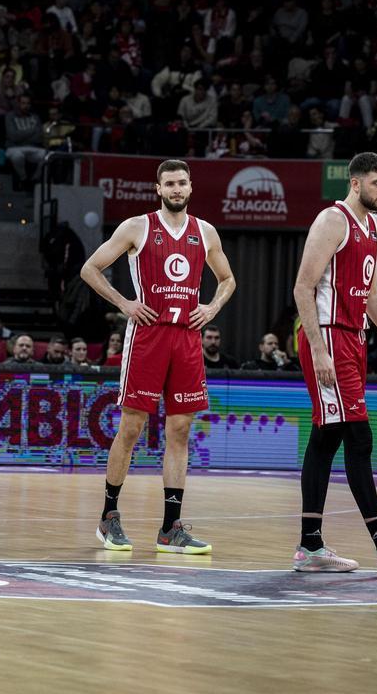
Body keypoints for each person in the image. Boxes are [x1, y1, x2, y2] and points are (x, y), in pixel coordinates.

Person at [79, 159, 236, 555]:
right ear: (159, 189)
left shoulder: (206, 231)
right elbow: (90, 269)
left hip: (186, 339)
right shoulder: (137, 227)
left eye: (183, 183)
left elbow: (228, 279)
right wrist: (124, 303)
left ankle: (171, 527)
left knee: (179, 432)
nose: (177, 189)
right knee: (131, 428)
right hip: (148, 336)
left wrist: (213, 308)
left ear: (190, 187)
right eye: (170, 184)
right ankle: (108, 517)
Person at [291, 152, 377, 575]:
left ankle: (310, 547)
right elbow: (303, 287)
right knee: (360, 439)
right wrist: (317, 348)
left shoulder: (373, 227)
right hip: (327, 335)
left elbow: (370, 295)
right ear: (355, 183)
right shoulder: (333, 220)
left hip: (353, 338)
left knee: (327, 437)